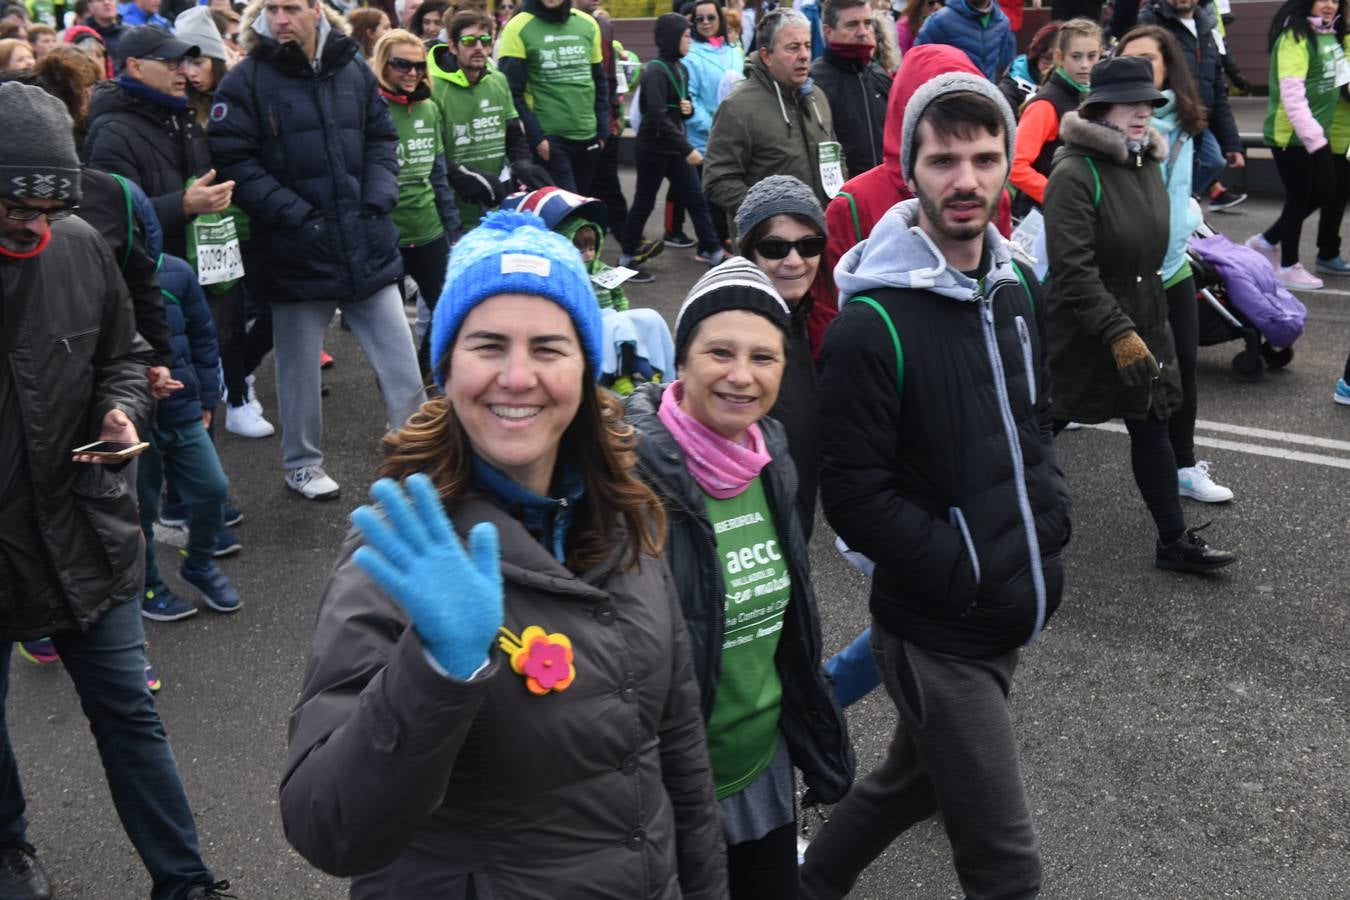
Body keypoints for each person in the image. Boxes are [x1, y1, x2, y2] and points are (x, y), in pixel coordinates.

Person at [279, 210, 727, 898]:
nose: (517, 377)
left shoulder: (630, 512)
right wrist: (434, 672)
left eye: (548, 348)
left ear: (585, 368)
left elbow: (679, 760)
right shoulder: (400, 549)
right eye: (488, 345)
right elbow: (329, 828)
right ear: (447, 365)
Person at [799, 70, 1069, 900]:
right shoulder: (870, 322)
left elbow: (1037, 421)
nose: (967, 180)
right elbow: (854, 497)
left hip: (1005, 607)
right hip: (935, 631)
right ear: (908, 169)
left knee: (910, 784)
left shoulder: (1017, 284)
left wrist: (1048, 526)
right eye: (943, 159)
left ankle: (808, 886)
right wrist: (964, 567)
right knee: (1006, 866)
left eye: (986, 158)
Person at [0, 80, 231, 900]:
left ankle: (187, 881)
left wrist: (123, 410)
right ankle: (9, 845)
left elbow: (123, 356)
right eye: (13, 208)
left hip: (86, 527)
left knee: (132, 717)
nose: (33, 226)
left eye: (49, 206)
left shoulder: (78, 245)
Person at [625, 258, 853, 900]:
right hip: (665, 790)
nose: (742, 376)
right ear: (681, 360)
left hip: (759, 770)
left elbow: (791, 625)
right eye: (719, 351)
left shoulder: (770, 455)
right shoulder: (631, 478)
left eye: (765, 357)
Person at [209, 0, 427, 500]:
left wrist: (378, 198)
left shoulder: (350, 66)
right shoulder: (246, 80)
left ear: (316, 9)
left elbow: (380, 137)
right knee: (297, 372)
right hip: (296, 249)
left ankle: (418, 458)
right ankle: (302, 466)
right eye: (273, 8)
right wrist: (298, 216)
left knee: (402, 366)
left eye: (292, 7)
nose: (281, 19)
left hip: (364, 241)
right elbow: (234, 160)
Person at [1044, 56, 1237, 573]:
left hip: (1143, 315)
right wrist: (1116, 330)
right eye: (1131, 103)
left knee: (1151, 421)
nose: (1142, 113)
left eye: (1148, 104)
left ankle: (1173, 542)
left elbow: (1154, 250)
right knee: (1047, 419)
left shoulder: (1145, 162)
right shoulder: (1074, 172)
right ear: (1100, 107)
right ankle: (993, 507)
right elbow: (1072, 270)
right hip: (1086, 326)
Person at [819, 44, 1013, 353]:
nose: (966, 181)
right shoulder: (854, 203)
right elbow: (830, 314)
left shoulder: (993, 199)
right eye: (943, 160)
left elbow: (1001, 289)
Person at [1119, 24, 1235, 504]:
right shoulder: (1114, 126)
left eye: (1150, 60)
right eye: (1130, 60)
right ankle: (1033, 443)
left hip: (1175, 267)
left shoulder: (1184, 120)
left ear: (1167, 66)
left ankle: (1184, 466)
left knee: (1184, 365)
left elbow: (1182, 189)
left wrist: (1186, 214)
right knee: (1111, 376)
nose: (1142, 69)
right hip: (1130, 274)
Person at [136, 254, 243, 621]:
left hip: (183, 408)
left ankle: (198, 564)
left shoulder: (178, 272)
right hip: (133, 418)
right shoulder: (95, 273)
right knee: (140, 511)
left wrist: (208, 396)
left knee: (213, 488)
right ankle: (148, 586)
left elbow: (203, 337)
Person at [85, 26, 232, 260]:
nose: (184, 71)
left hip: (206, 268)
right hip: (158, 274)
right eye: (171, 63)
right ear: (135, 67)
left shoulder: (184, 118)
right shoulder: (113, 132)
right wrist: (182, 205)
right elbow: (114, 216)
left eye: (185, 61)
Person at [374, 27, 459, 373]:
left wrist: (451, 226)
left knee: (449, 311)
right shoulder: (369, 111)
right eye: (402, 65)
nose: (413, 73)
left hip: (429, 232)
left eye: (420, 66)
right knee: (388, 330)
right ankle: (399, 396)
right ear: (383, 64)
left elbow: (438, 175)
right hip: (386, 236)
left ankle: (426, 376)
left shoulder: (429, 108)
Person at [1243, 0, 1344, 291]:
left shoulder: (1328, 34)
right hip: (1291, 136)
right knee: (1300, 197)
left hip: (1316, 134)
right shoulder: (1295, 37)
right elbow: (1292, 96)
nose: (1329, 5)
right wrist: (1316, 140)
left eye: (1335, 0)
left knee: (1325, 190)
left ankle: (1266, 241)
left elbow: (1339, 81)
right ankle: (1288, 266)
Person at [703, 8, 840, 216]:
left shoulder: (817, 97)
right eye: (793, 48)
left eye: (807, 46)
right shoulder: (737, 107)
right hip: (769, 243)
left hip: (821, 234)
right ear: (767, 56)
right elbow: (717, 180)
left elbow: (835, 156)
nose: (804, 56)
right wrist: (771, 214)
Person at [621, 14, 726, 278]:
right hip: (653, 149)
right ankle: (626, 256)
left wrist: (687, 110)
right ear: (672, 38)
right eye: (686, 36)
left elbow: (681, 106)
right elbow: (656, 115)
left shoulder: (681, 68)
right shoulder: (655, 71)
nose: (690, 41)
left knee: (696, 199)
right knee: (644, 203)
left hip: (674, 148)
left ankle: (714, 252)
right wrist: (687, 148)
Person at [428, 10, 548, 231]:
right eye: (469, 41)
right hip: (450, 208)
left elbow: (514, 136)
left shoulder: (498, 81)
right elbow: (432, 154)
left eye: (485, 41)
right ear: (453, 46)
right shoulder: (435, 89)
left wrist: (522, 164)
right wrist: (461, 175)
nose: (479, 48)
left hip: (494, 203)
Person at [1138, 0, 1248, 213]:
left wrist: (1231, 143)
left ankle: (1180, 203)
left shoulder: (1206, 26)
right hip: (1165, 119)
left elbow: (1216, 90)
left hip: (1197, 120)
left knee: (1213, 160)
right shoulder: (1151, 21)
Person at [497, 0, 609, 193]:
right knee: (568, 213)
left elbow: (599, 81)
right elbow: (511, 93)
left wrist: (602, 132)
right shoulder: (517, 27)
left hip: (589, 136)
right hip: (550, 140)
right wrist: (537, 139)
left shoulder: (588, 24)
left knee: (583, 207)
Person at [1009, 17, 1100, 218]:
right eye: (1076, 56)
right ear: (1060, 57)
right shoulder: (1046, 104)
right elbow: (1016, 166)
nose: (1085, 65)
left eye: (1092, 56)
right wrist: (1059, 195)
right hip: (1041, 214)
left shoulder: (1090, 96)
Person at [672, 0, 743, 248]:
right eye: (699, 19)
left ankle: (733, 242)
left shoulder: (735, 49)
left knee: (736, 192)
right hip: (705, 139)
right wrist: (717, 125)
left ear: (720, 20)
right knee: (711, 198)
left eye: (710, 18)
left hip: (738, 136)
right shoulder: (691, 56)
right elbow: (689, 100)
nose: (705, 23)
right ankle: (712, 247)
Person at [810, 0, 889, 178]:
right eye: (852, 25)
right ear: (827, 32)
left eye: (868, 23)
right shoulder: (815, 82)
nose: (863, 32)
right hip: (843, 197)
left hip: (887, 194)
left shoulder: (880, 76)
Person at [913, 0, 1014, 82]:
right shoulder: (939, 21)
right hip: (950, 101)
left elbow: (1009, 68)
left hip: (987, 100)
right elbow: (917, 65)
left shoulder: (1002, 22)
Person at [1315, 49, 1350, 275]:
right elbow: (1345, 90)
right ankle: (1327, 253)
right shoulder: (1339, 42)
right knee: (1335, 198)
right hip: (1341, 137)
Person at [998, 19, 1059, 115]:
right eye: (1047, 59)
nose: (1054, 67)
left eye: (1061, 61)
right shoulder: (1009, 92)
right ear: (1035, 59)